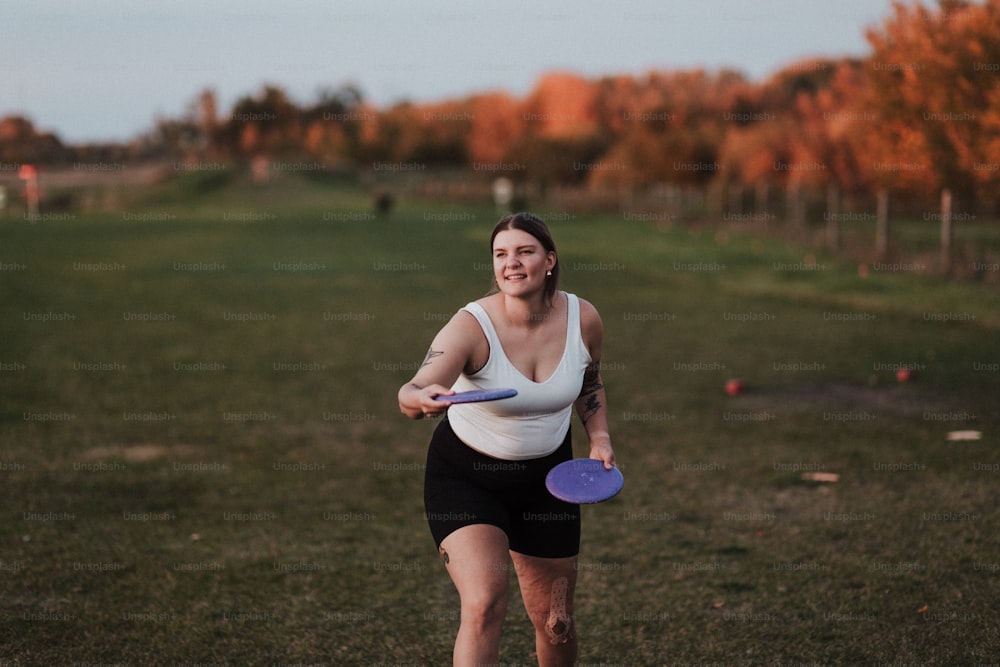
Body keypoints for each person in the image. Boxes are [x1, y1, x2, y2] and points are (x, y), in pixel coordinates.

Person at [398, 212, 616, 666]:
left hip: (548, 479)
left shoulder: (584, 318)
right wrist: (424, 397)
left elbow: (590, 382)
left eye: (524, 251)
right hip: (467, 478)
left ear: (550, 260)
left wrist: (600, 438)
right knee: (484, 603)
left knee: (556, 621)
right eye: (501, 254)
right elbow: (411, 392)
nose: (511, 263)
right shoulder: (471, 325)